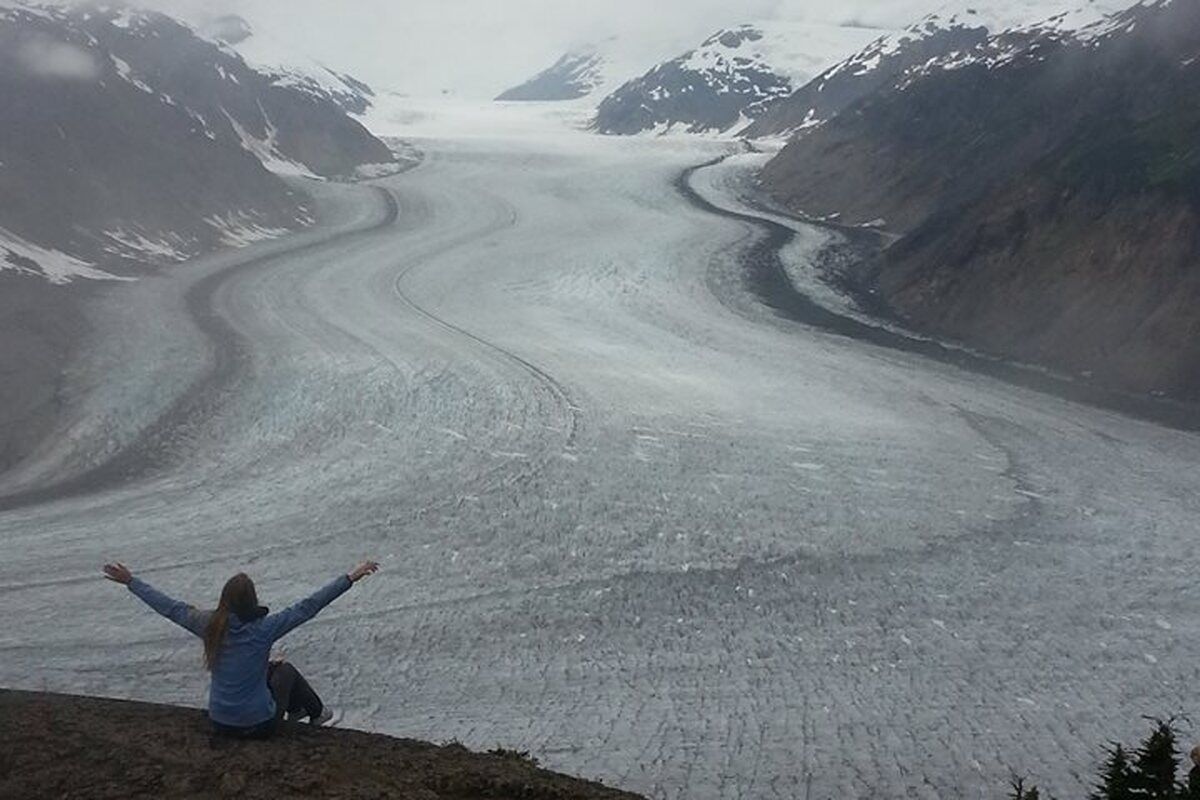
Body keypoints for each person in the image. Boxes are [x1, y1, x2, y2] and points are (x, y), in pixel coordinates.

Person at [102, 559, 379, 738]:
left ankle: (300, 713)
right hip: (258, 725)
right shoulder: (264, 628)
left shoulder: (209, 625)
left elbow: (170, 608)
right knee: (286, 671)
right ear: (253, 600)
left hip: (220, 722)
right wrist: (350, 578)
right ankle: (317, 715)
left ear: (225, 599)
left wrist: (131, 582)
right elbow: (308, 607)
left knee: (271, 667)